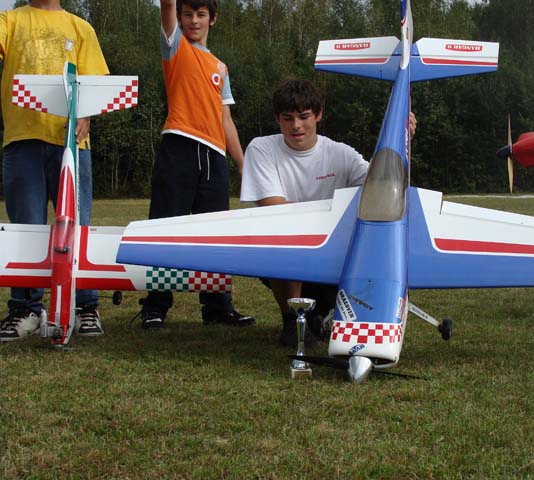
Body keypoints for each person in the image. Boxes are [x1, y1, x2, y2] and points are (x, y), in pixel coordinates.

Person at [241, 79, 416, 347]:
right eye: (287, 118)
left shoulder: (341, 153)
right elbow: (274, 207)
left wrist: (402, 142)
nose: (296, 126)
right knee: (284, 233)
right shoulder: (261, 148)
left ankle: (316, 316)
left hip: (333, 253)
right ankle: (291, 321)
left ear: (318, 115)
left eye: (304, 117)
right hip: (287, 252)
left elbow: (380, 185)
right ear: (277, 119)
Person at [139, 0, 255, 329]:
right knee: (165, 227)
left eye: (201, 15)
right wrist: (172, 9)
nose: (193, 21)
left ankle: (217, 307)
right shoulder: (175, 47)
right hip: (179, 146)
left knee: (215, 234)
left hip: (214, 155)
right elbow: (167, 6)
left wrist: (243, 164)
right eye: (187, 14)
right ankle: (156, 305)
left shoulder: (220, 67)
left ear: (212, 19)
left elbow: (225, 118)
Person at [0, 0, 108, 342]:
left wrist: (86, 113)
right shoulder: (9, 20)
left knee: (78, 227)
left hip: (71, 143)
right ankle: (25, 309)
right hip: (22, 140)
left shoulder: (81, 28)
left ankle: (85, 306)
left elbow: (95, 84)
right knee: (26, 228)